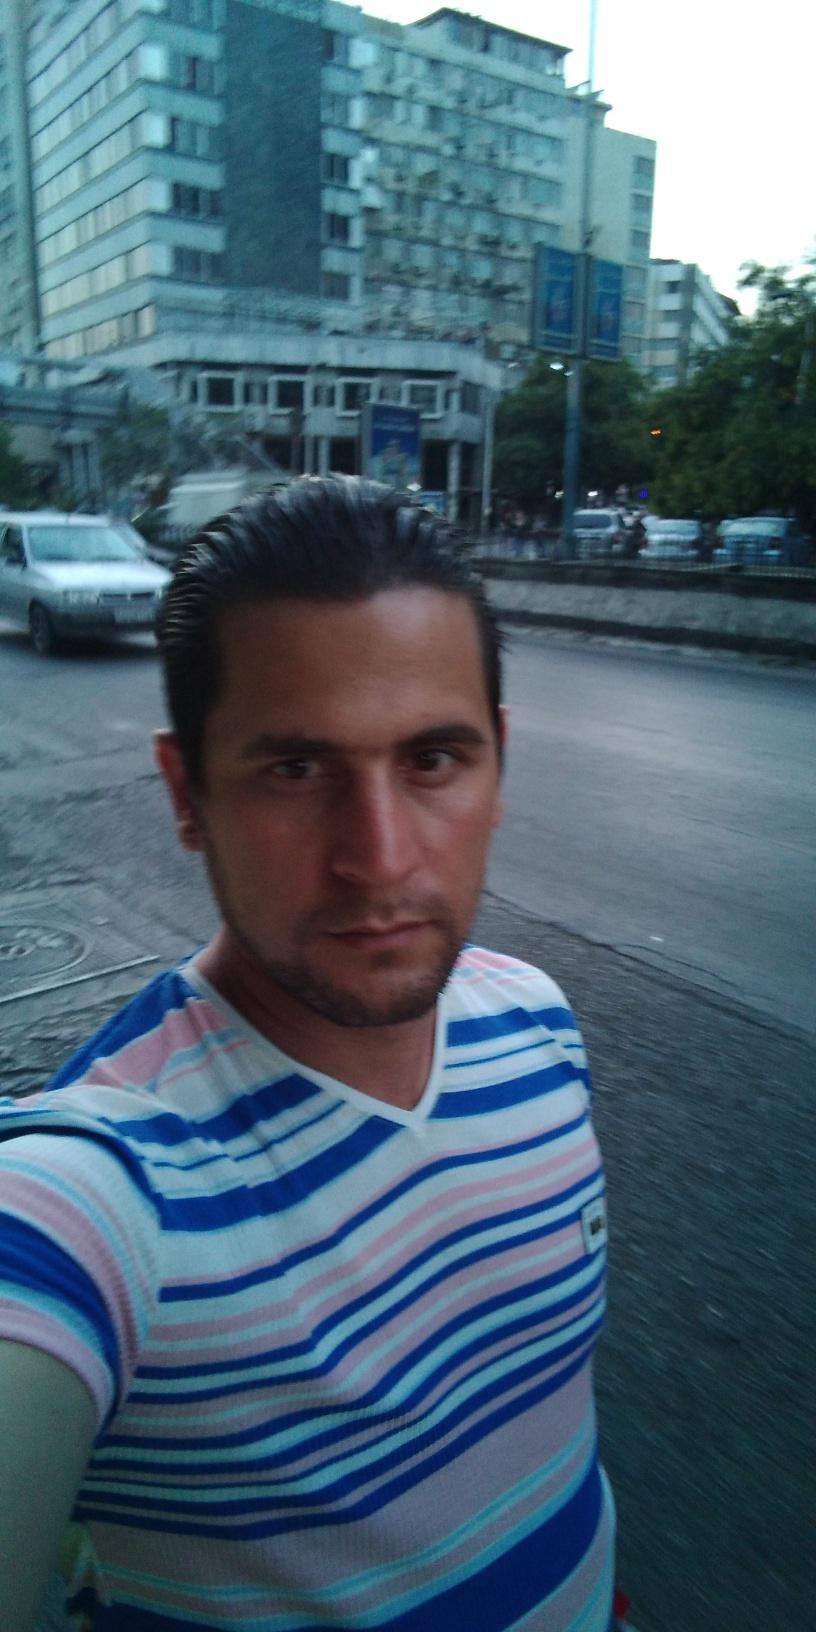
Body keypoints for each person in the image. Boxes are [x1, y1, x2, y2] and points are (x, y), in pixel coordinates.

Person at [0, 477, 614, 1632]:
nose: (378, 858)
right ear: (186, 793)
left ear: (499, 763)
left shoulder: (536, 1023)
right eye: (295, 769)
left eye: (434, 759)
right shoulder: (99, 1199)